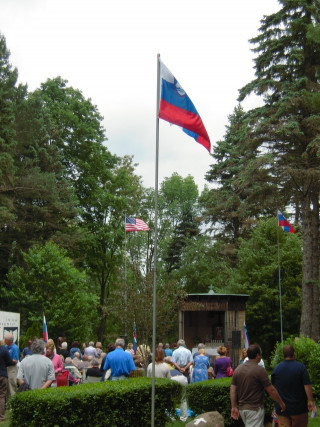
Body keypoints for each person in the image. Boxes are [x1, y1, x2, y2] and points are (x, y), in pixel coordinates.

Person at [230, 344, 285, 427]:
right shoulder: (260, 370)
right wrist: (281, 402)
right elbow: (271, 390)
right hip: (254, 409)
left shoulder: (238, 369)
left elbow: (233, 389)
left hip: (242, 409)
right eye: (261, 354)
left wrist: (234, 406)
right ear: (257, 355)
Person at [271, 344, 314, 427]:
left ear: (283, 355)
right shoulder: (301, 368)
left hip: (282, 409)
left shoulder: (276, 369)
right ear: (294, 354)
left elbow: (273, 389)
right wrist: (310, 400)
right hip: (299, 409)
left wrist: (275, 404)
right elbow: (307, 386)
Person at [0, 343, 13, 422]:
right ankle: (1, 416)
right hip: (2, 374)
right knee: (1, 396)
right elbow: (10, 362)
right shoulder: (3, 349)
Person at [4, 333, 19, 397]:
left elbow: (15, 361)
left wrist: (7, 359)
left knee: (11, 387)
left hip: (12, 369)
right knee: (6, 388)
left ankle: (12, 404)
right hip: (5, 368)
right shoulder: (5, 347)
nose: (4, 340)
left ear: (10, 340)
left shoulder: (15, 348)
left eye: (6, 339)